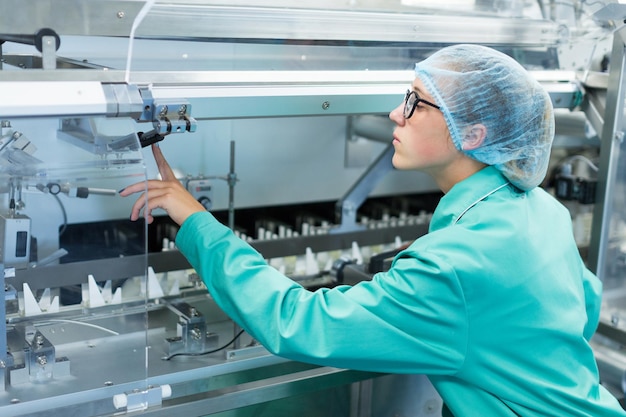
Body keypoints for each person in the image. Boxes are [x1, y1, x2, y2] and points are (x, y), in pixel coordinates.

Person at [120, 44, 626, 416]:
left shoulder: (452, 266)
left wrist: (197, 222)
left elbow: (295, 322)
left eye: (414, 102)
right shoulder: (540, 210)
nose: (393, 114)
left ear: (472, 134)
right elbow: (581, 306)